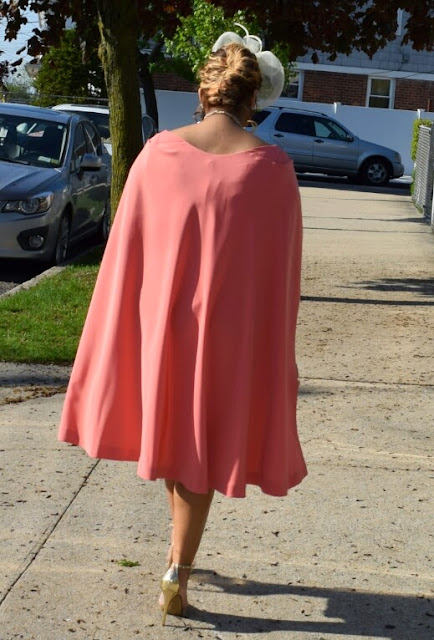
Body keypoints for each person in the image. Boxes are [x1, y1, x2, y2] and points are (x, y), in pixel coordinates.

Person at [58, 35, 307, 626]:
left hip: (162, 323)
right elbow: (282, 271)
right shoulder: (273, 168)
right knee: (199, 446)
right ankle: (178, 567)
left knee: (176, 437)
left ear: (204, 89)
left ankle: (178, 557)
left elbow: (127, 251)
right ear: (253, 99)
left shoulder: (158, 154)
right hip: (230, 332)